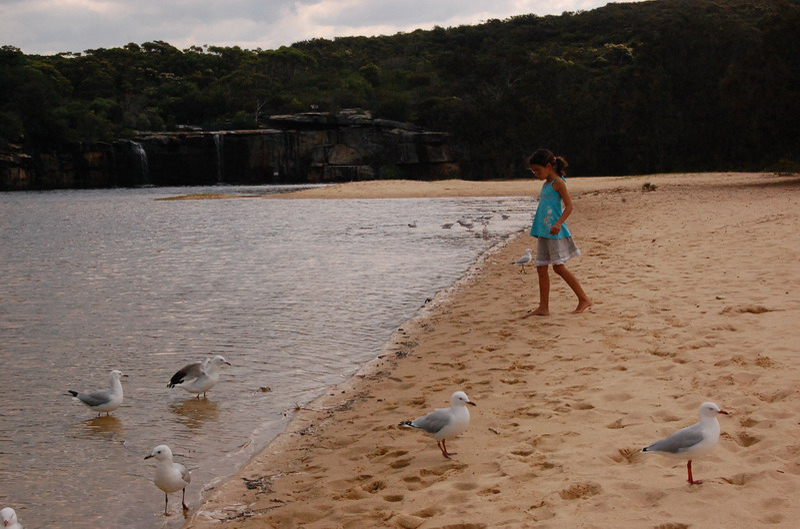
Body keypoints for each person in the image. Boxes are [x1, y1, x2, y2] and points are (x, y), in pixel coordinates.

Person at [526, 149, 591, 315]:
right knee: (541, 267)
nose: (535, 174)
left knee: (559, 268)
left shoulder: (558, 183)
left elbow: (569, 206)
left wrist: (559, 223)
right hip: (543, 232)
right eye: (533, 171)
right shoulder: (546, 183)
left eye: (537, 170)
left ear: (549, 166)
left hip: (554, 232)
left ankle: (584, 299)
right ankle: (543, 307)